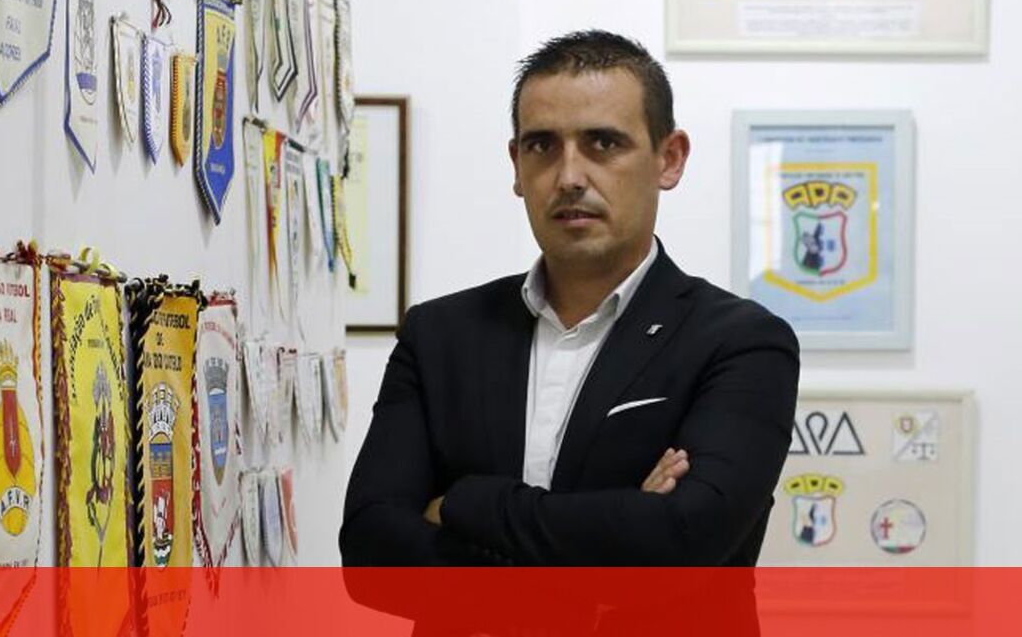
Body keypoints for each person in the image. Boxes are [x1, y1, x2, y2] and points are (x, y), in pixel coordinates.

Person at [340, 30, 799, 574]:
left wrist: (463, 503)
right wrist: (620, 526)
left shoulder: (741, 342)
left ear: (669, 159)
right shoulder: (439, 334)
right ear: (516, 164)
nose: (569, 177)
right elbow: (370, 550)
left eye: (603, 143)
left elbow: (683, 538)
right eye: (542, 146)